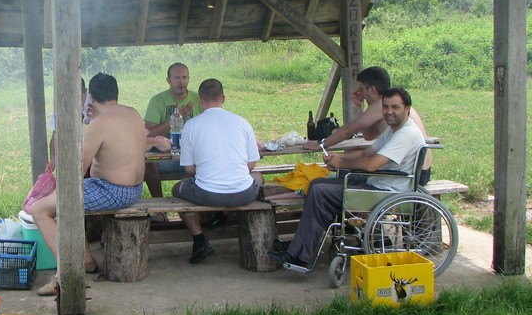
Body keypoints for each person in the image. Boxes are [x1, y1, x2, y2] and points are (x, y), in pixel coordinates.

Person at [271, 87, 425, 270]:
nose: (389, 112)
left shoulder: (406, 134)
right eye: (385, 107)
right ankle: (300, 246)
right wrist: (338, 158)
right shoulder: (394, 130)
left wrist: (342, 163)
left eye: (395, 107)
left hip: (387, 192)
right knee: (317, 183)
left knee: (321, 191)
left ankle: (299, 255)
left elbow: (372, 164)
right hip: (377, 184)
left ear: (407, 109)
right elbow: (366, 153)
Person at [30, 73, 147, 296]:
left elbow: (76, 171)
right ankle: (86, 261)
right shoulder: (132, 113)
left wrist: (55, 192)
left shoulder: (99, 124)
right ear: (116, 93)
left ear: (90, 97)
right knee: (66, 202)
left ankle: (65, 275)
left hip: (113, 191)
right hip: (134, 189)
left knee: (40, 209)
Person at [172, 79, 263, 264]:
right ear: (223, 98)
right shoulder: (242, 122)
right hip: (243, 194)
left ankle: (199, 239)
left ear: (200, 100)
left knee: (177, 189)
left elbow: (189, 169)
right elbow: (251, 165)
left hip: (207, 193)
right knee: (259, 177)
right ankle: (221, 215)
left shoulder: (191, 125)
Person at [302, 66, 432, 184]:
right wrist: (359, 107)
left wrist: (321, 144)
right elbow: (369, 136)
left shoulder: (381, 106)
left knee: (345, 175)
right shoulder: (391, 105)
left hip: (411, 174)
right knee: (345, 173)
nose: (360, 93)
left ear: (372, 90)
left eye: (361, 89)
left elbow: (348, 130)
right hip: (420, 169)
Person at [142, 63, 202, 203]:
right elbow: (148, 134)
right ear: (168, 80)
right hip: (165, 157)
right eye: (177, 78)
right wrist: (175, 119)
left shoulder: (198, 99)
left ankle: (200, 206)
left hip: (193, 156)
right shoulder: (158, 100)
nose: (181, 82)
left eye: (184, 77)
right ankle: (159, 206)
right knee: (146, 161)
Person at [48, 78, 92, 170]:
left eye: (78, 96)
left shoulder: (94, 102)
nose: (74, 101)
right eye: (70, 97)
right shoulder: (62, 107)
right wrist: (53, 157)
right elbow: (55, 135)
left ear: (85, 91)